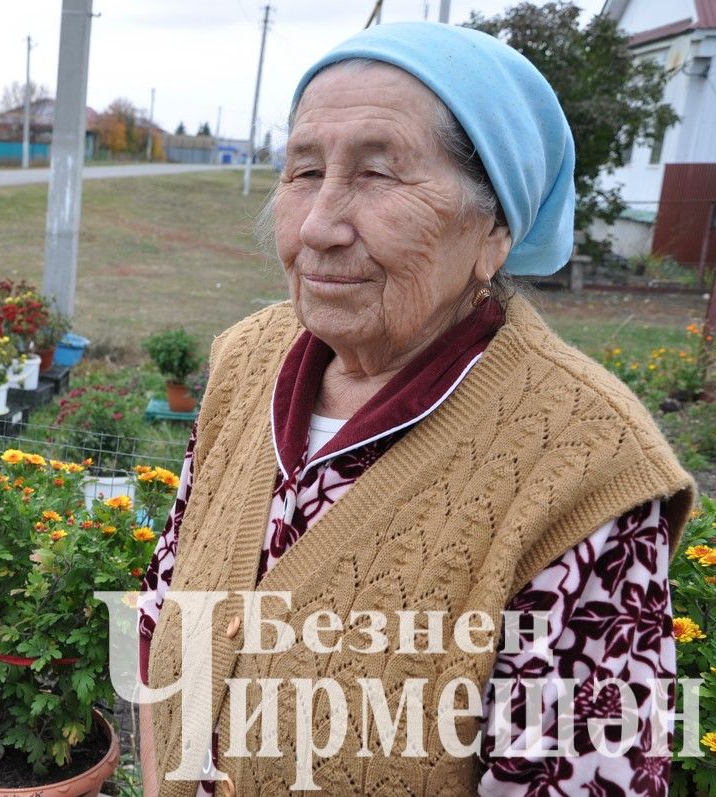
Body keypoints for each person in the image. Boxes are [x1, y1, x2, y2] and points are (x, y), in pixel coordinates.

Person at [137, 21, 694, 797]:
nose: (318, 226)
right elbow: (163, 611)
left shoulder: (584, 469)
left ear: (495, 228)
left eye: (377, 176)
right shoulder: (248, 360)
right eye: (303, 172)